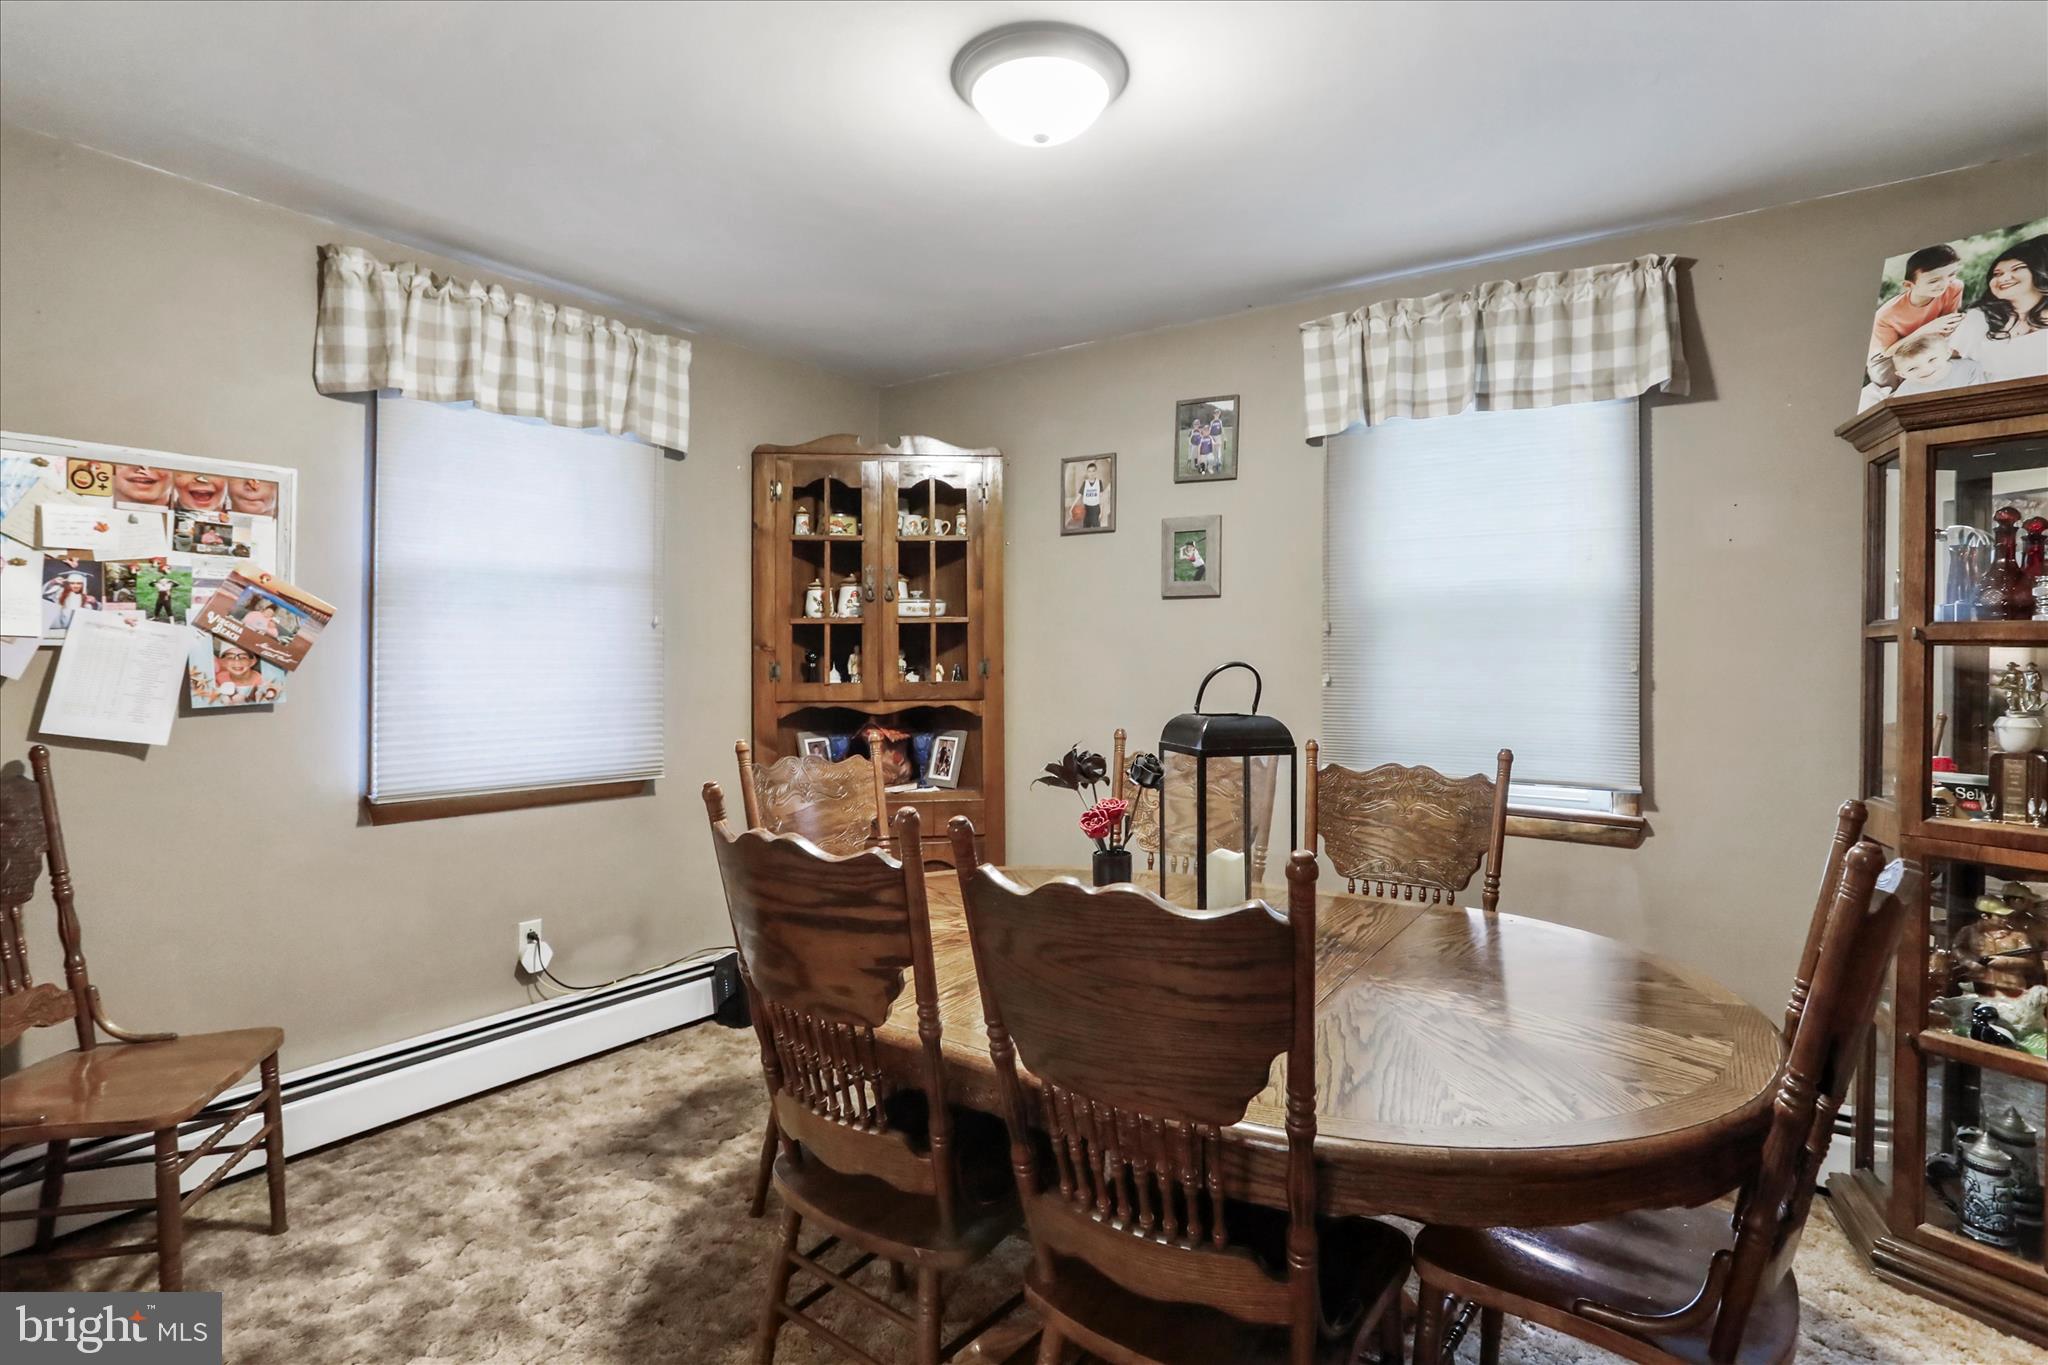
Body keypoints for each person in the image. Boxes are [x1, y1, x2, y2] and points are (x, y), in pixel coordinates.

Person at [1867, 244, 1966, 389]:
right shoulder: (1886, 314)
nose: (1944, 285)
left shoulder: (1955, 287)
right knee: (1889, 388)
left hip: (1927, 341)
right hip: (1889, 354)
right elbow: (1888, 351)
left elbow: (1949, 323)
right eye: (1933, 281)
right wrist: (1926, 329)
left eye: (1951, 275)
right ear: (1908, 285)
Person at [1953, 236, 2048, 384]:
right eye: (1997, 274)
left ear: (2039, 273)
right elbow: (1950, 364)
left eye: (2016, 269)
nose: (2003, 278)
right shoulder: (1978, 318)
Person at [1078, 460, 1106, 529]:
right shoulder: (1085, 483)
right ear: (1087, 472)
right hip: (1086, 508)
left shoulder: (1099, 482)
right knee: (1085, 528)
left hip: (1096, 508)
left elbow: (1101, 498)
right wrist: (1072, 507)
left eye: (1093, 471)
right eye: (1089, 471)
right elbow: (1079, 495)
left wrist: (1101, 512)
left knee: (1096, 528)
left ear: (1095, 472)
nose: (1091, 473)